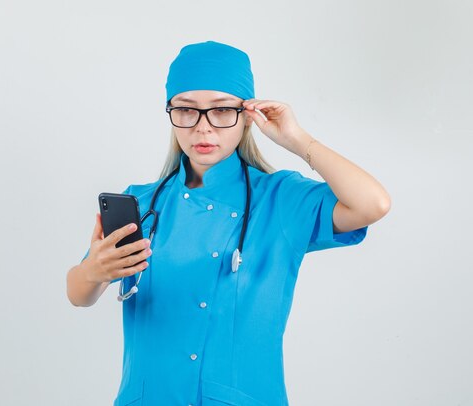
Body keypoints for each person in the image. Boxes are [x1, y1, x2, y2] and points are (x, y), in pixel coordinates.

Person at [66, 40, 391, 406]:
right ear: (171, 112)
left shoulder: (279, 200)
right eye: (187, 111)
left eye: (221, 111)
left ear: (247, 115)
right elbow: (78, 294)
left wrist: (297, 139)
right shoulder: (141, 203)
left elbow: (373, 203)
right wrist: (93, 272)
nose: (203, 128)